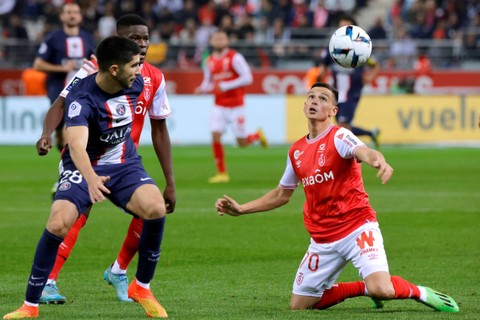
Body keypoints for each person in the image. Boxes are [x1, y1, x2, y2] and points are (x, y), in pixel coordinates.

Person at [215, 82, 459, 314]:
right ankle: (362, 288)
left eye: (322, 99)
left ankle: (420, 292)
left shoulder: (340, 136)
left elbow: (363, 151)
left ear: (332, 110)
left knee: (382, 289)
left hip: (357, 228)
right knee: (299, 305)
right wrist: (242, 208)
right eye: (311, 97)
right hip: (322, 239)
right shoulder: (296, 151)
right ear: (304, 105)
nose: (314, 101)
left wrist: (378, 160)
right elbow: (282, 194)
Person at [4, 36, 169, 319]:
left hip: (123, 163)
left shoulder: (136, 83)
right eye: (133, 65)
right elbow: (76, 145)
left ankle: (141, 287)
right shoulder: (81, 98)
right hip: (83, 166)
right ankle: (30, 306)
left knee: (155, 208)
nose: (139, 71)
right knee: (58, 223)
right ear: (114, 69)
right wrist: (91, 178)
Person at [35, 14, 176, 304]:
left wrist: (170, 181)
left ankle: (119, 270)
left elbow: (160, 129)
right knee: (75, 214)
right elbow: (61, 103)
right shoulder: (92, 69)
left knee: (150, 210)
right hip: (86, 157)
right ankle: (49, 280)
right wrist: (47, 132)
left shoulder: (155, 77)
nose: (142, 44)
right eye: (134, 38)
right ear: (119, 39)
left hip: (124, 161)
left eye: (145, 38)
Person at [194, 30, 268, 183]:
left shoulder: (235, 57)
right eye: (216, 38)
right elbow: (209, 82)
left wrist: (227, 85)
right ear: (212, 41)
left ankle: (256, 136)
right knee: (215, 134)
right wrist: (202, 89)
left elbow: (248, 77)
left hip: (236, 105)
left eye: (222, 38)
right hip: (219, 105)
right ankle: (222, 173)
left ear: (227, 40)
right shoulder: (209, 61)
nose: (219, 40)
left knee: (241, 142)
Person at [33, 2, 95, 152]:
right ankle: (65, 153)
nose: (72, 15)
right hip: (58, 87)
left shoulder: (87, 38)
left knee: (73, 124)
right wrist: (62, 68)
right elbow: (38, 64)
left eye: (75, 12)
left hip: (82, 89)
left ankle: (73, 163)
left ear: (80, 16)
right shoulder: (53, 38)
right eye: (69, 12)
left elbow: (94, 60)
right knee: (61, 133)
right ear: (62, 16)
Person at [319, 15, 381, 148]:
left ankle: (355, 152)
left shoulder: (361, 48)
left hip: (352, 92)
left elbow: (375, 65)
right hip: (335, 94)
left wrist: (369, 77)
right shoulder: (332, 48)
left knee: (342, 126)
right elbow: (323, 67)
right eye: (341, 27)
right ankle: (371, 134)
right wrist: (319, 81)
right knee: (343, 127)